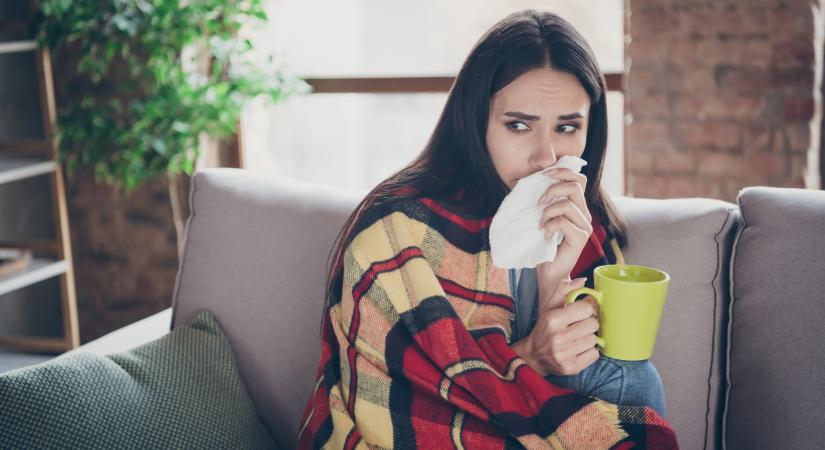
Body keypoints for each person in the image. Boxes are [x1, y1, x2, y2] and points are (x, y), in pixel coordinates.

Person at [298, 9, 677, 449]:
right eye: (518, 125)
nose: (546, 156)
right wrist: (531, 356)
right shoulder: (399, 233)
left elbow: (598, 383)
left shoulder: (585, 227)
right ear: (476, 123)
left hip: (532, 421)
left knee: (632, 375)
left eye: (567, 127)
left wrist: (554, 284)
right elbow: (403, 396)